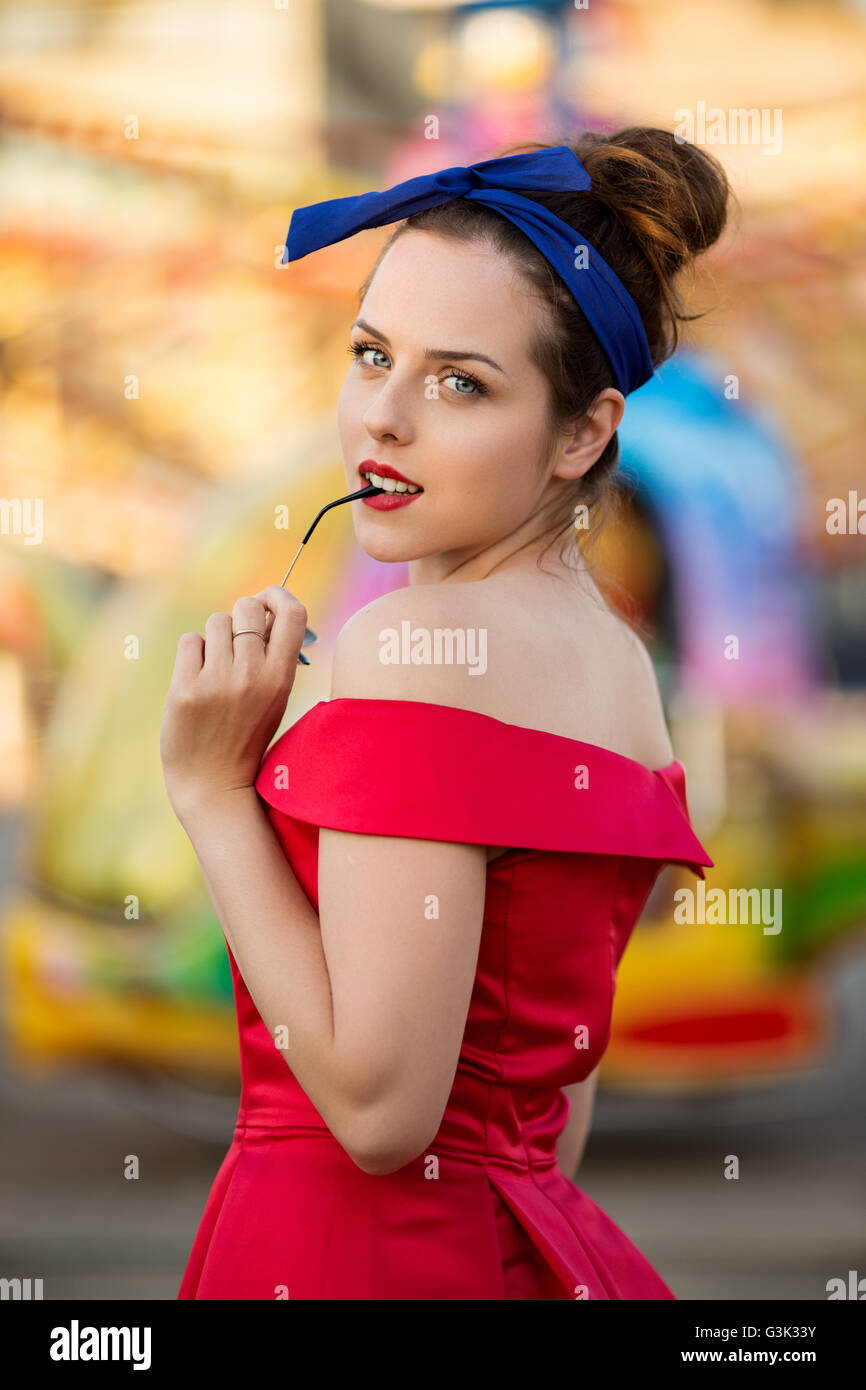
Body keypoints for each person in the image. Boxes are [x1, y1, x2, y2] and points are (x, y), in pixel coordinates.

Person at [163, 127, 728, 1300]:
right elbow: (551, 1111)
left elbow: (377, 1111)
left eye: (459, 382)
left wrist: (213, 794)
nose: (384, 418)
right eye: (372, 355)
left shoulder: (410, 651)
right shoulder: (618, 669)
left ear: (583, 432)